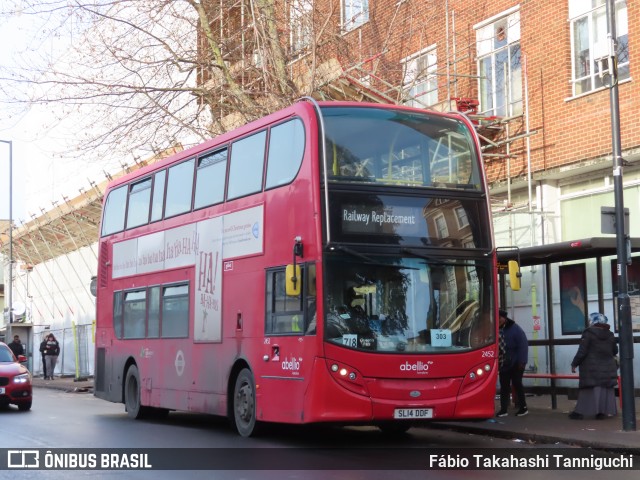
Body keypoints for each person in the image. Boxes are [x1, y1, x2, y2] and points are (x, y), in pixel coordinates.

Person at [569, 312, 618, 420]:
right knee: (604, 390)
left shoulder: (588, 333)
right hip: (607, 368)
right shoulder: (610, 335)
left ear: (593, 321)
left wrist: (574, 364)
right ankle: (601, 413)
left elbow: (582, 351)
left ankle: (579, 412)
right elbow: (615, 351)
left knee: (588, 390)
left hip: (591, 368)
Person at [496, 309, 529, 417]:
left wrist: (522, 361)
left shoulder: (515, 329)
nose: (499, 320)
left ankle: (523, 407)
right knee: (504, 386)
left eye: (500, 318)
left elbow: (523, 345)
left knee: (517, 384)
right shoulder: (496, 329)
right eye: (497, 318)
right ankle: (504, 409)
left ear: (504, 318)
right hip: (503, 362)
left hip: (516, 362)